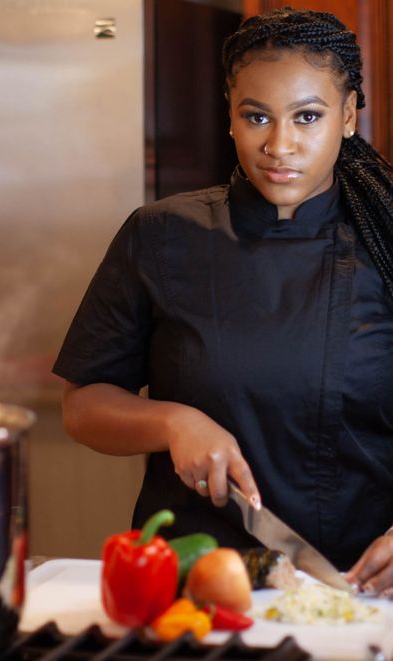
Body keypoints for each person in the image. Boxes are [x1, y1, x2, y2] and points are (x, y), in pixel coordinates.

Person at [53, 7, 393, 597]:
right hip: (199, 580)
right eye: (255, 116)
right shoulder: (160, 234)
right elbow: (83, 407)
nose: (279, 145)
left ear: (347, 117)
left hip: (364, 587)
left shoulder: (386, 238)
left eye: (307, 117)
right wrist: (174, 420)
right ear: (230, 118)